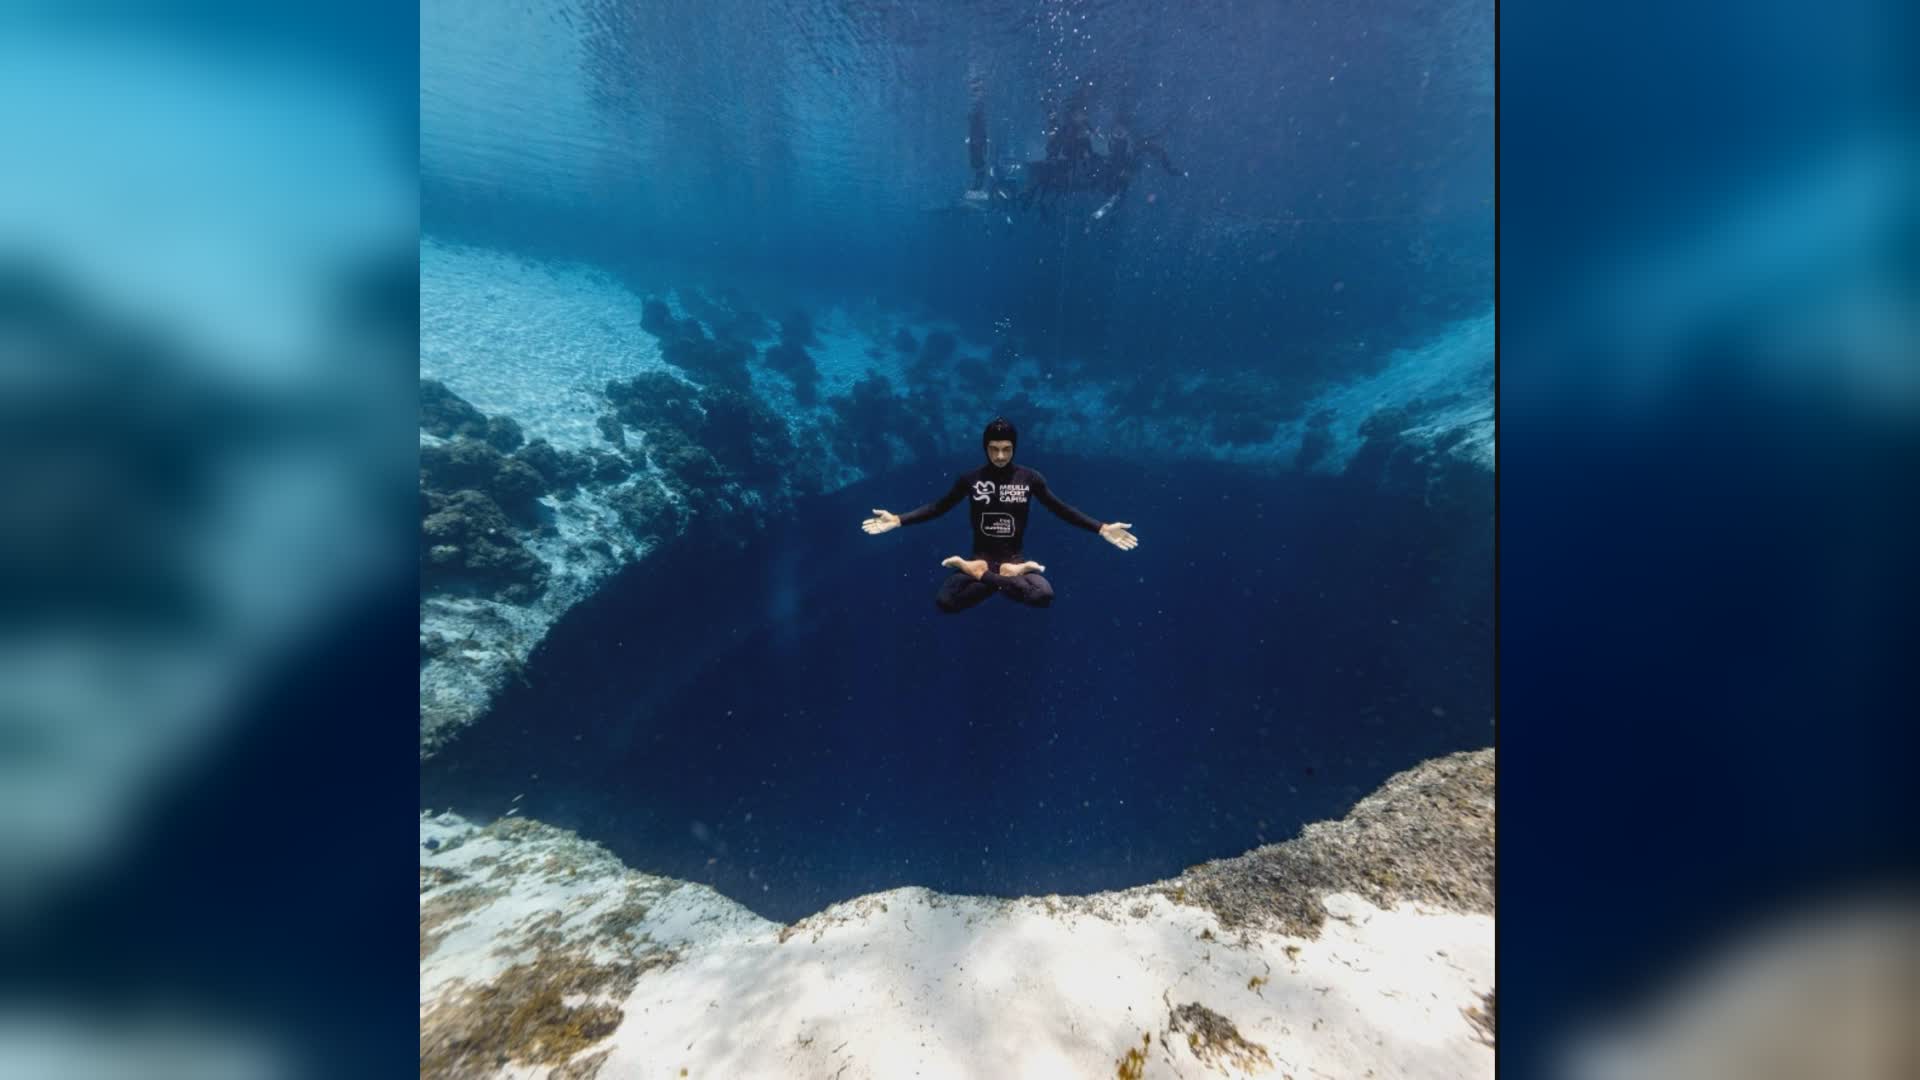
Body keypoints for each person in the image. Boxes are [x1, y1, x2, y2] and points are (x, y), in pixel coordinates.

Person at [861, 417, 1139, 613]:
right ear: (985, 448)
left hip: (1014, 564)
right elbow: (938, 507)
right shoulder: (970, 479)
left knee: (1044, 596)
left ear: (1014, 448)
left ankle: (991, 575)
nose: (1000, 455)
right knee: (945, 603)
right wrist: (898, 520)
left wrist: (1101, 528)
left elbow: (1061, 508)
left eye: (1006, 449)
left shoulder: (1030, 478)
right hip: (980, 561)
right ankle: (980, 572)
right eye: (994, 449)